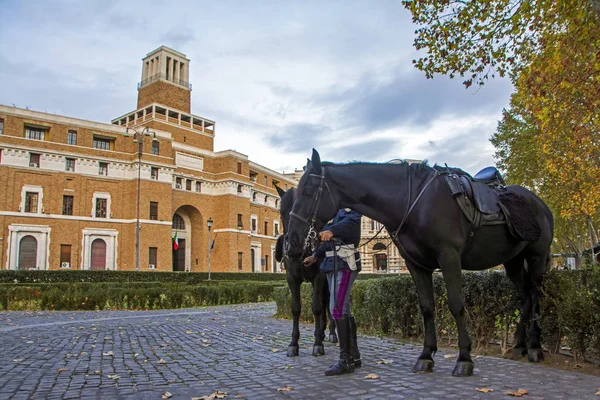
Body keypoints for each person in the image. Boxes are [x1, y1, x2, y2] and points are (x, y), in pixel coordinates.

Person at [303, 208, 362, 376]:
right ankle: (354, 356)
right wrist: (315, 256)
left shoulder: (351, 210)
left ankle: (345, 360)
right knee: (343, 309)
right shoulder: (331, 213)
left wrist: (331, 230)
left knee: (337, 309)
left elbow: (350, 227)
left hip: (345, 264)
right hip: (330, 265)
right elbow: (327, 243)